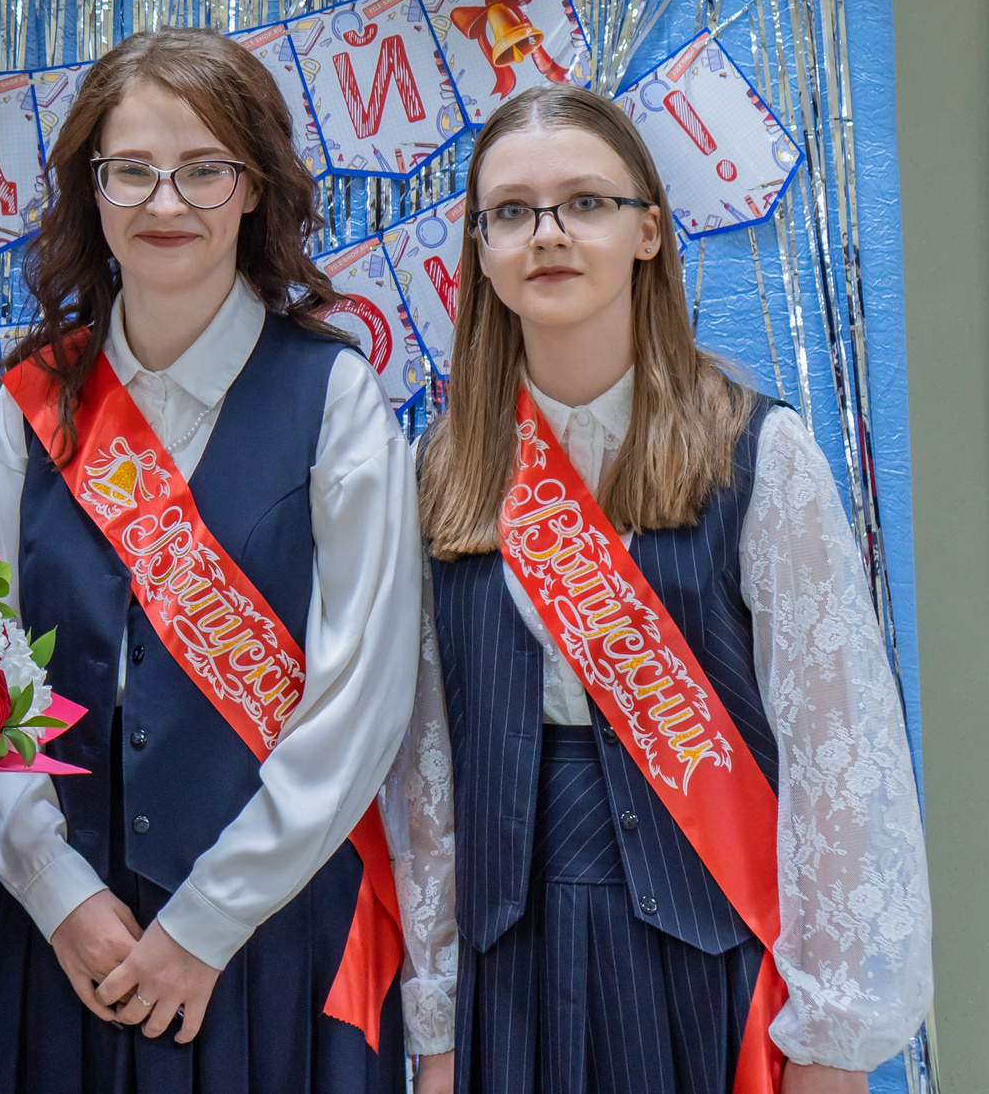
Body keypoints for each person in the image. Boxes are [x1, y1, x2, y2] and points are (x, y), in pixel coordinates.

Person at [394, 85, 932, 1094]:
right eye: (510, 210)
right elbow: (424, 764)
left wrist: (832, 1038)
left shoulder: (759, 452)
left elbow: (839, 755)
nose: (545, 233)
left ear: (648, 229)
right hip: (506, 969)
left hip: (708, 956)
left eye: (584, 202)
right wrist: (434, 1025)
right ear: (479, 249)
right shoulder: (442, 473)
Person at [0, 27, 420, 1094]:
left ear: (254, 186)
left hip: (270, 923)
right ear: (92, 186)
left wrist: (207, 921)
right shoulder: (32, 403)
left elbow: (364, 697)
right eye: (132, 170)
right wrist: (55, 886)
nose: (165, 203)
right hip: (71, 930)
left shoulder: (332, 395)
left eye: (204, 168)